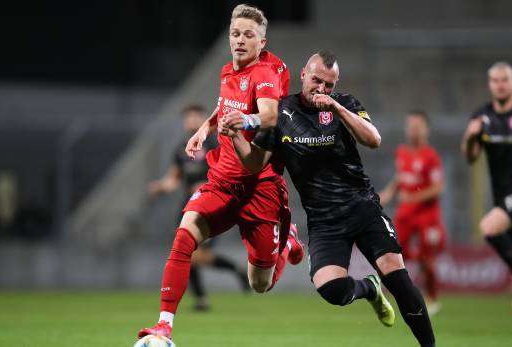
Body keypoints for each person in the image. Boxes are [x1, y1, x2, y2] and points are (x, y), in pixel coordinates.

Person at [222, 50, 436, 347]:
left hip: (362, 208)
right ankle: (369, 289)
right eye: (316, 81)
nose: (321, 89)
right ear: (303, 75)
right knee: (331, 289)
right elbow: (255, 164)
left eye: (329, 85)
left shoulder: (345, 104)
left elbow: (373, 139)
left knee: (398, 279)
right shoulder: (281, 112)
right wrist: (234, 136)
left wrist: (337, 108)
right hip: (324, 221)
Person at [138, 4, 304, 340]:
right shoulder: (228, 70)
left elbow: (269, 115)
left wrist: (247, 121)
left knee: (261, 283)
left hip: (260, 187)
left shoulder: (265, 75)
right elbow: (225, 103)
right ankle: (164, 324)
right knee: (183, 238)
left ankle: (286, 242)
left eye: (248, 35)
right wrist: (204, 127)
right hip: (223, 181)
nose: (240, 40)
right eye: (235, 33)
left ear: (262, 41)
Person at [147, 104, 250, 311]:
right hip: (188, 206)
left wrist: (207, 184)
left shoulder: (214, 143)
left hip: (210, 204)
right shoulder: (181, 148)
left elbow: (229, 170)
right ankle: (207, 294)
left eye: (196, 117)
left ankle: (215, 287)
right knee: (187, 253)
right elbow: (174, 179)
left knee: (193, 255)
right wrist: (161, 186)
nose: (192, 121)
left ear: (204, 119)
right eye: (188, 117)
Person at [461, 61, 512, 310]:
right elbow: (470, 157)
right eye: (495, 80)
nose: (500, 85)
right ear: (490, 85)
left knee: (489, 227)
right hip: (503, 195)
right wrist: (471, 136)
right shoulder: (483, 117)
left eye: (505, 79)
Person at [379, 111, 446, 315]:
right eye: (410, 125)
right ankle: (390, 295)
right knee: (395, 253)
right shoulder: (402, 152)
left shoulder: (431, 156)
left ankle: (432, 297)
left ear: (426, 129)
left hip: (427, 215)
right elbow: (401, 177)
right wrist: (388, 192)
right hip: (406, 214)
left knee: (427, 259)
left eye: (418, 125)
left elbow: (437, 187)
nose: (413, 129)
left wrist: (414, 198)